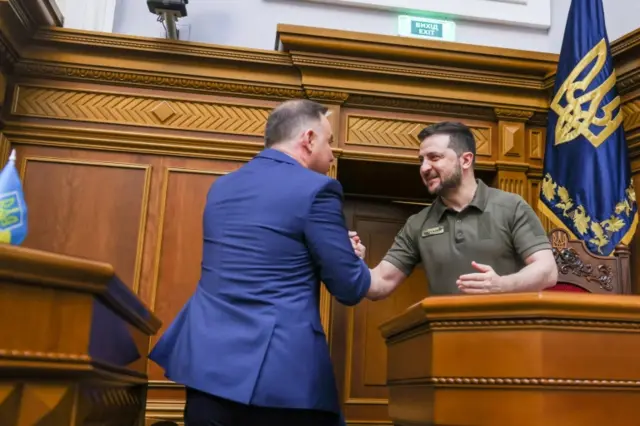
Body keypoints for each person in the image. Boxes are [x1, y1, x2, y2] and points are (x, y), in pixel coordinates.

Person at [149, 99, 370, 426]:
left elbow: (267, 254)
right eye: (330, 143)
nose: (332, 154)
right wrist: (354, 260)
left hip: (207, 366)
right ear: (308, 140)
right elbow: (349, 287)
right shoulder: (318, 189)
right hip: (283, 378)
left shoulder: (221, 187)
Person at [363, 121, 557, 300]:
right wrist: (353, 263)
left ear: (465, 160)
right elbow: (381, 283)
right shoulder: (417, 223)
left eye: (434, 158)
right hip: (446, 335)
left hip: (508, 332)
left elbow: (547, 271)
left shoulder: (511, 206)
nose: (424, 168)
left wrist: (502, 285)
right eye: (421, 160)